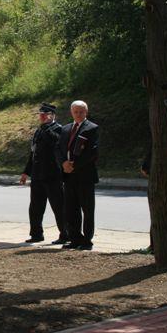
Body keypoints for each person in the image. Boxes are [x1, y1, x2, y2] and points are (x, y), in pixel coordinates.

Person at [19, 103, 68, 245]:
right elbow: (33, 153)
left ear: (52, 115)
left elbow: (56, 144)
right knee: (35, 207)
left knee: (59, 207)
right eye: (40, 114)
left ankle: (65, 234)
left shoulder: (59, 129)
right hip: (37, 175)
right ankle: (36, 234)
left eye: (44, 114)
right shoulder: (38, 131)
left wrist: (47, 128)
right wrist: (26, 172)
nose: (41, 117)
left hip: (53, 175)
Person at [56, 100, 99, 250]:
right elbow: (58, 149)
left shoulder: (92, 128)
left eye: (81, 112)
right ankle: (74, 239)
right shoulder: (66, 129)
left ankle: (87, 241)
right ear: (71, 112)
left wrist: (73, 166)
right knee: (70, 209)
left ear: (86, 112)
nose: (78, 114)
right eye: (76, 112)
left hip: (85, 175)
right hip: (69, 176)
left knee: (87, 209)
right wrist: (63, 164)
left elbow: (92, 153)